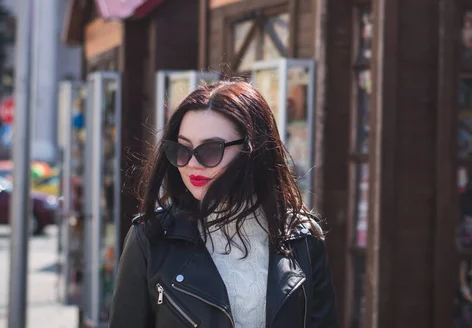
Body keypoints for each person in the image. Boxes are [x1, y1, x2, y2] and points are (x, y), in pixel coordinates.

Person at [109, 80, 339, 328]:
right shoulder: (150, 238)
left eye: (210, 150)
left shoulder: (303, 236)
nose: (192, 163)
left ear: (252, 150)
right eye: (182, 149)